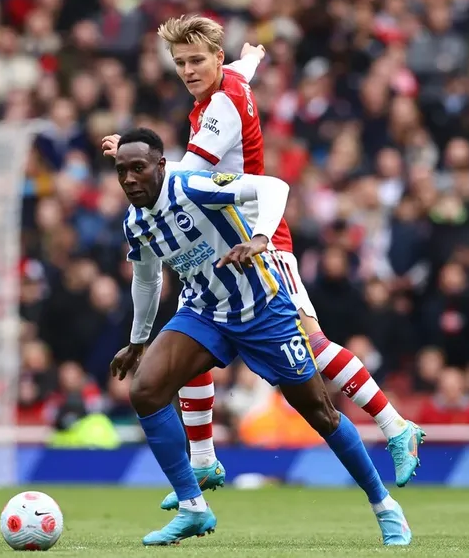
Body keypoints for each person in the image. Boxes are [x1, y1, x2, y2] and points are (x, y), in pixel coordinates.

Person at [102, 15, 423, 512]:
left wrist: (128, 153)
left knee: (311, 341)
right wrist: (249, 58)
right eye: (180, 62)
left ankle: (395, 427)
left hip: (259, 236)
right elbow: (241, 71)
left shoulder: (219, 110)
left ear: (214, 58)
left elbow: (180, 176)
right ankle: (204, 459)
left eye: (195, 61)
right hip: (220, 239)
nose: (187, 71)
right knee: (192, 327)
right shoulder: (228, 81)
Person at [109, 128, 411, 546]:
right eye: (121, 171)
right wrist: (138, 340)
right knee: (145, 391)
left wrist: (260, 237)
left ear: (161, 166)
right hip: (205, 313)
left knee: (320, 413)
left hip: (263, 310)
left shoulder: (192, 186)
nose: (128, 179)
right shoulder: (136, 223)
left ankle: (384, 505)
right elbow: (146, 281)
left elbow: (272, 187)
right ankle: (193, 507)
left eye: (137, 168)